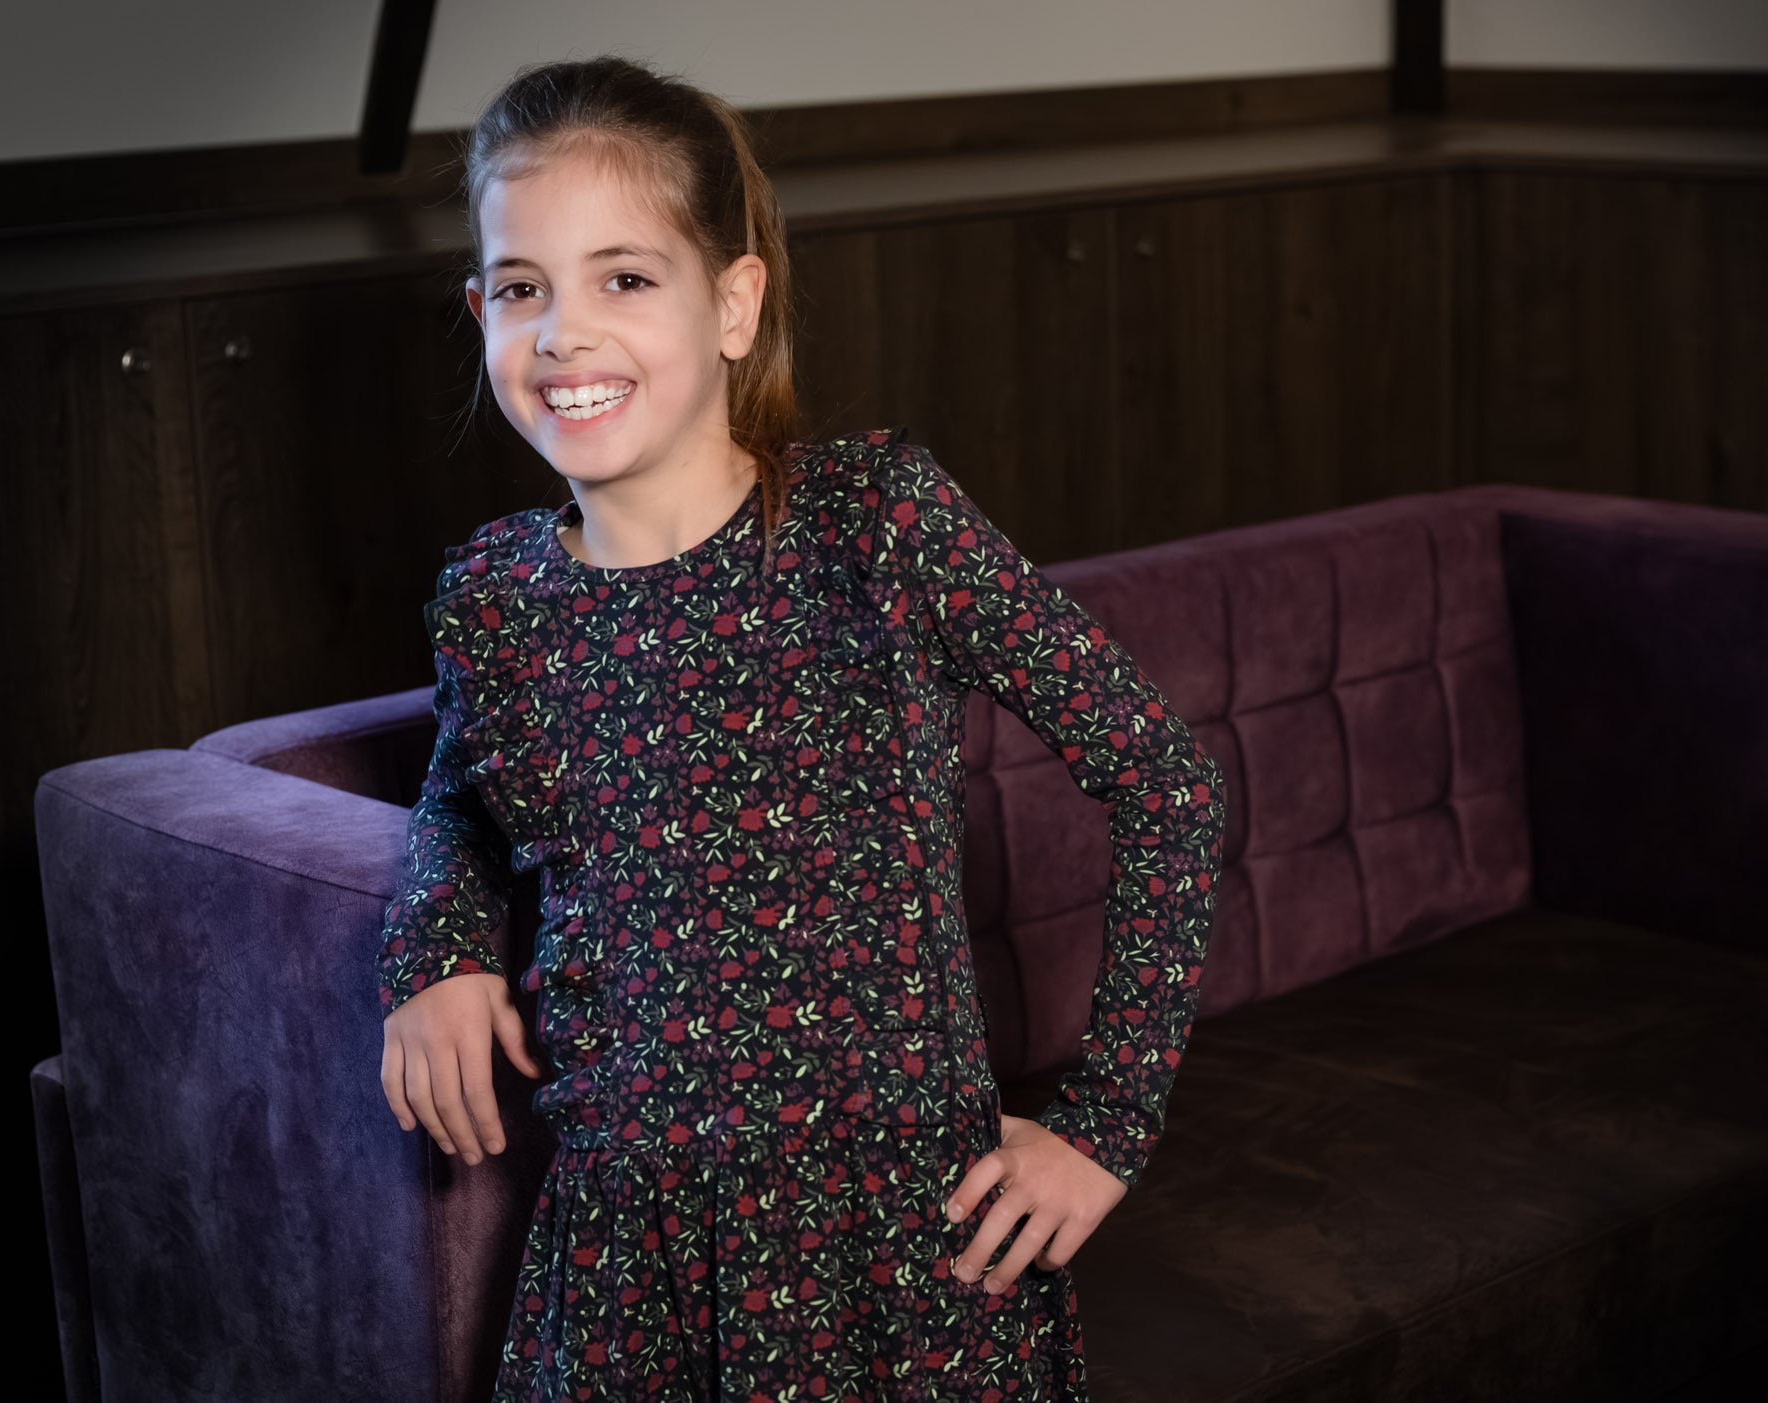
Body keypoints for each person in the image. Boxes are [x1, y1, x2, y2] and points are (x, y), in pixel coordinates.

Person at [375, 53, 1227, 1402]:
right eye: (524, 288)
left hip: (904, 1256)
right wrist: (436, 954)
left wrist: (1108, 1125)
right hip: (626, 1267)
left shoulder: (875, 526)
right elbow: (462, 803)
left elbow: (1165, 780)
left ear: (734, 303)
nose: (564, 335)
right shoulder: (495, 600)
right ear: (481, 310)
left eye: (624, 278)